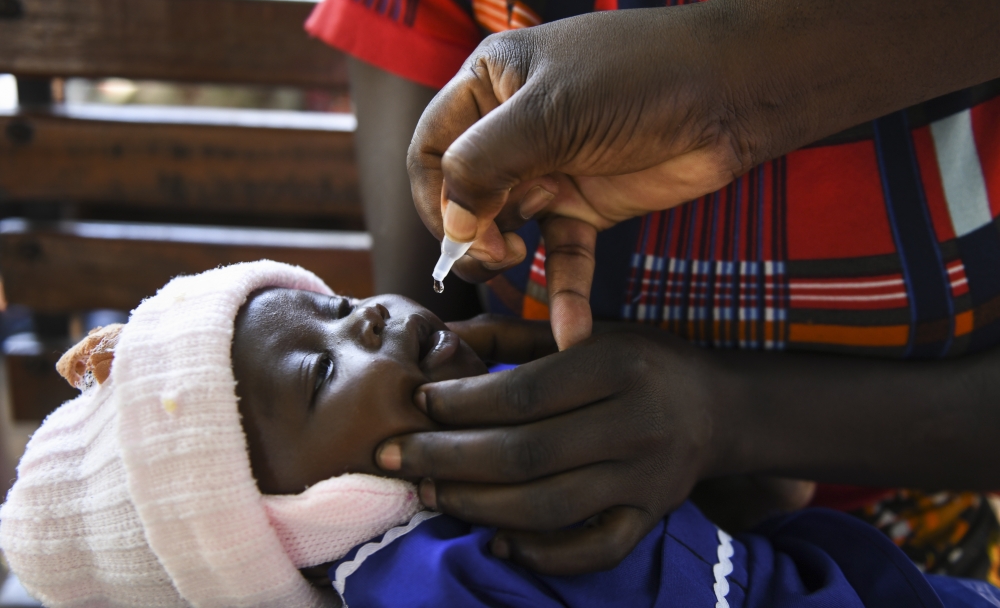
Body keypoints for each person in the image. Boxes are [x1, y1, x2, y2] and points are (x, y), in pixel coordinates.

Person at [305, 0, 1000, 583]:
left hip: (903, 542)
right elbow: (419, 329)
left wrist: (733, 418)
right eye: (317, 348)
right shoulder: (452, 573)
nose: (368, 317)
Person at [3, 259, 1000, 608]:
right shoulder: (441, 578)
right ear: (283, 523)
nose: (369, 323)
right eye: (318, 372)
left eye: (337, 303)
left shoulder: (469, 446)